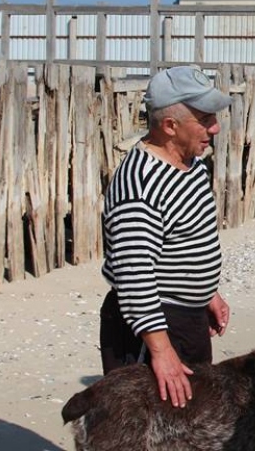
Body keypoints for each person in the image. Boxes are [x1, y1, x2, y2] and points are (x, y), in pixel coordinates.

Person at [99, 65, 233, 408]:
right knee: (151, 424)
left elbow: (185, 240)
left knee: (192, 420)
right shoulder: (139, 184)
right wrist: (161, 351)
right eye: (204, 119)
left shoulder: (191, 164)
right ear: (170, 126)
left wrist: (206, 292)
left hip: (186, 321)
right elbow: (134, 275)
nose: (215, 128)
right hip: (152, 326)